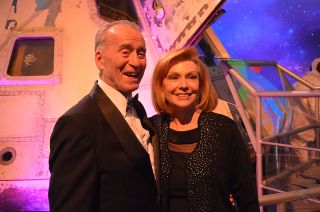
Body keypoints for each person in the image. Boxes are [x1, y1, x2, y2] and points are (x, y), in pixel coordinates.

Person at [49, 20, 158, 212]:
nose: (136, 62)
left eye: (141, 53)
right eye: (125, 52)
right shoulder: (77, 123)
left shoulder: (138, 109)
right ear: (100, 60)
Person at [150, 47, 259, 211]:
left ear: (200, 85)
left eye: (191, 77)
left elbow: (247, 196)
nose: (184, 85)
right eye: (174, 77)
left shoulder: (224, 128)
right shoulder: (152, 128)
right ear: (161, 87)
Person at [291, 58, 320, 162]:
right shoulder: (314, 84)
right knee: (305, 166)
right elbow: (316, 109)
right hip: (304, 130)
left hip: (300, 129)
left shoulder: (303, 80)